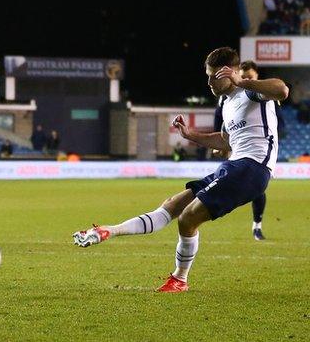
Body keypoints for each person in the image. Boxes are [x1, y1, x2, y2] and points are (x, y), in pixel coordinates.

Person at [73, 47, 288, 292]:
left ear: (231, 73)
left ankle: (179, 279)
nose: (209, 82)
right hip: (233, 165)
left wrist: (243, 80)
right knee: (173, 205)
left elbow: (282, 90)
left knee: (188, 218)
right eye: (207, 75)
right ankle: (109, 230)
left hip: (253, 167)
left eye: (214, 75)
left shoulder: (251, 92)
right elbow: (226, 141)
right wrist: (190, 135)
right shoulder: (226, 103)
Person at [213, 60, 285, 241]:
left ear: (257, 77)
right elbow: (221, 122)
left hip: (259, 146)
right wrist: (221, 145)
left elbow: (279, 121)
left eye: (249, 78)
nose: (242, 80)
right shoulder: (226, 98)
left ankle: (256, 226)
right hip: (236, 145)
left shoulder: (263, 93)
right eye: (241, 77)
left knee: (257, 188)